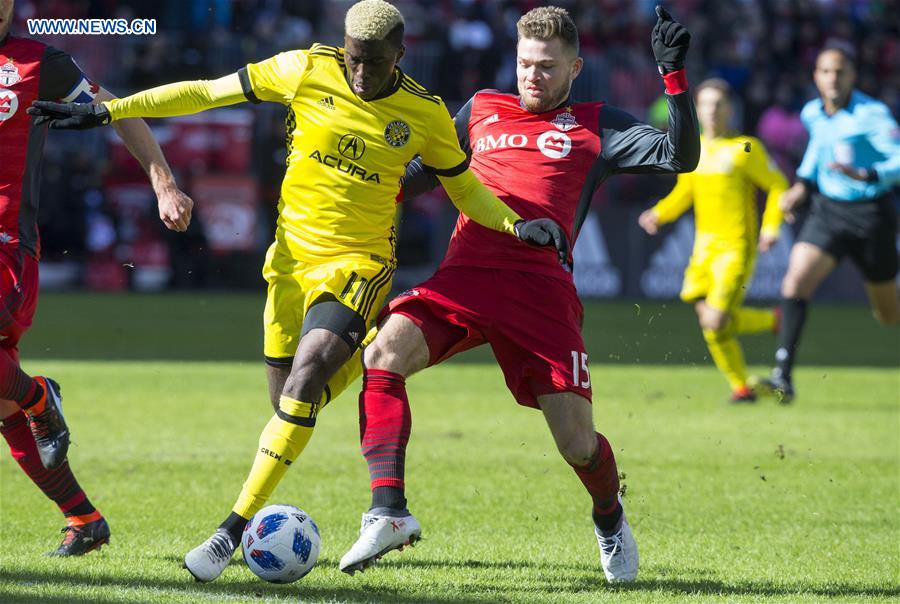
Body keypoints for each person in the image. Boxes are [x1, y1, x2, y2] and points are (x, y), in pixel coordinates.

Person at [30, 0, 569, 582]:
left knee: (307, 377)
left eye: (377, 64)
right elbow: (208, 92)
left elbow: (463, 189)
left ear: (400, 57)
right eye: (356, 60)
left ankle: (227, 532)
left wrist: (515, 224)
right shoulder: (304, 69)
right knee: (289, 402)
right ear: (344, 46)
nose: (362, 75)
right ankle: (370, 360)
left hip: (358, 266)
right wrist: (112, 113)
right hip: (287, 267)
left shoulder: (425, 112)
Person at [339, 5, 698, 583]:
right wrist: (361, 195)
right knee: (382, 355)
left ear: (576, 67)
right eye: (526, 64)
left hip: (540, 295)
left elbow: (680, 157)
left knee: (578, 445)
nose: (533, 76)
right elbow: (423, 175)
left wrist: (673, 76)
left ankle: (609, 516)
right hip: (464, 275)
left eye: (548, 67)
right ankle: (387, 511)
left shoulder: (597, 125)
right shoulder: (480, 109)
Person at [0, 0, 192, 555]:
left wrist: (163, 183)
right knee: (2, 401)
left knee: (13, 397)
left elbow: (121, 110)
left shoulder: (41, 63)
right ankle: (84, 518)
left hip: (7, 252)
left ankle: (39, 398)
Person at [756, 43, 899, 403]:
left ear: (852, 75)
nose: (832, 78)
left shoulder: (874, 113)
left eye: (840, 71)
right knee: (795, 281)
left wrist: (867, 173)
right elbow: (816, 156)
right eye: (825, 71)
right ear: (816, 76)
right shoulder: (812, 113)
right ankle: (782, 377)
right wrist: (799, 189)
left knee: (888, 314)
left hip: (871, 215)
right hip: (828, 212)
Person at [638, 78, 788, 403]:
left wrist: (772, 226)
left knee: (717, 319)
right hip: (703, 249)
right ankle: (741, 387)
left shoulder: (746, 148)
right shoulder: (694, 149)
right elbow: (685, 193)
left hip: (736, 247)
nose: (710, 111)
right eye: (704, 104)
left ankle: (771, 322)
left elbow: (778, 185)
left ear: (730, 109)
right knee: (711, 323)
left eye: (717, 104)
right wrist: (660, 214)